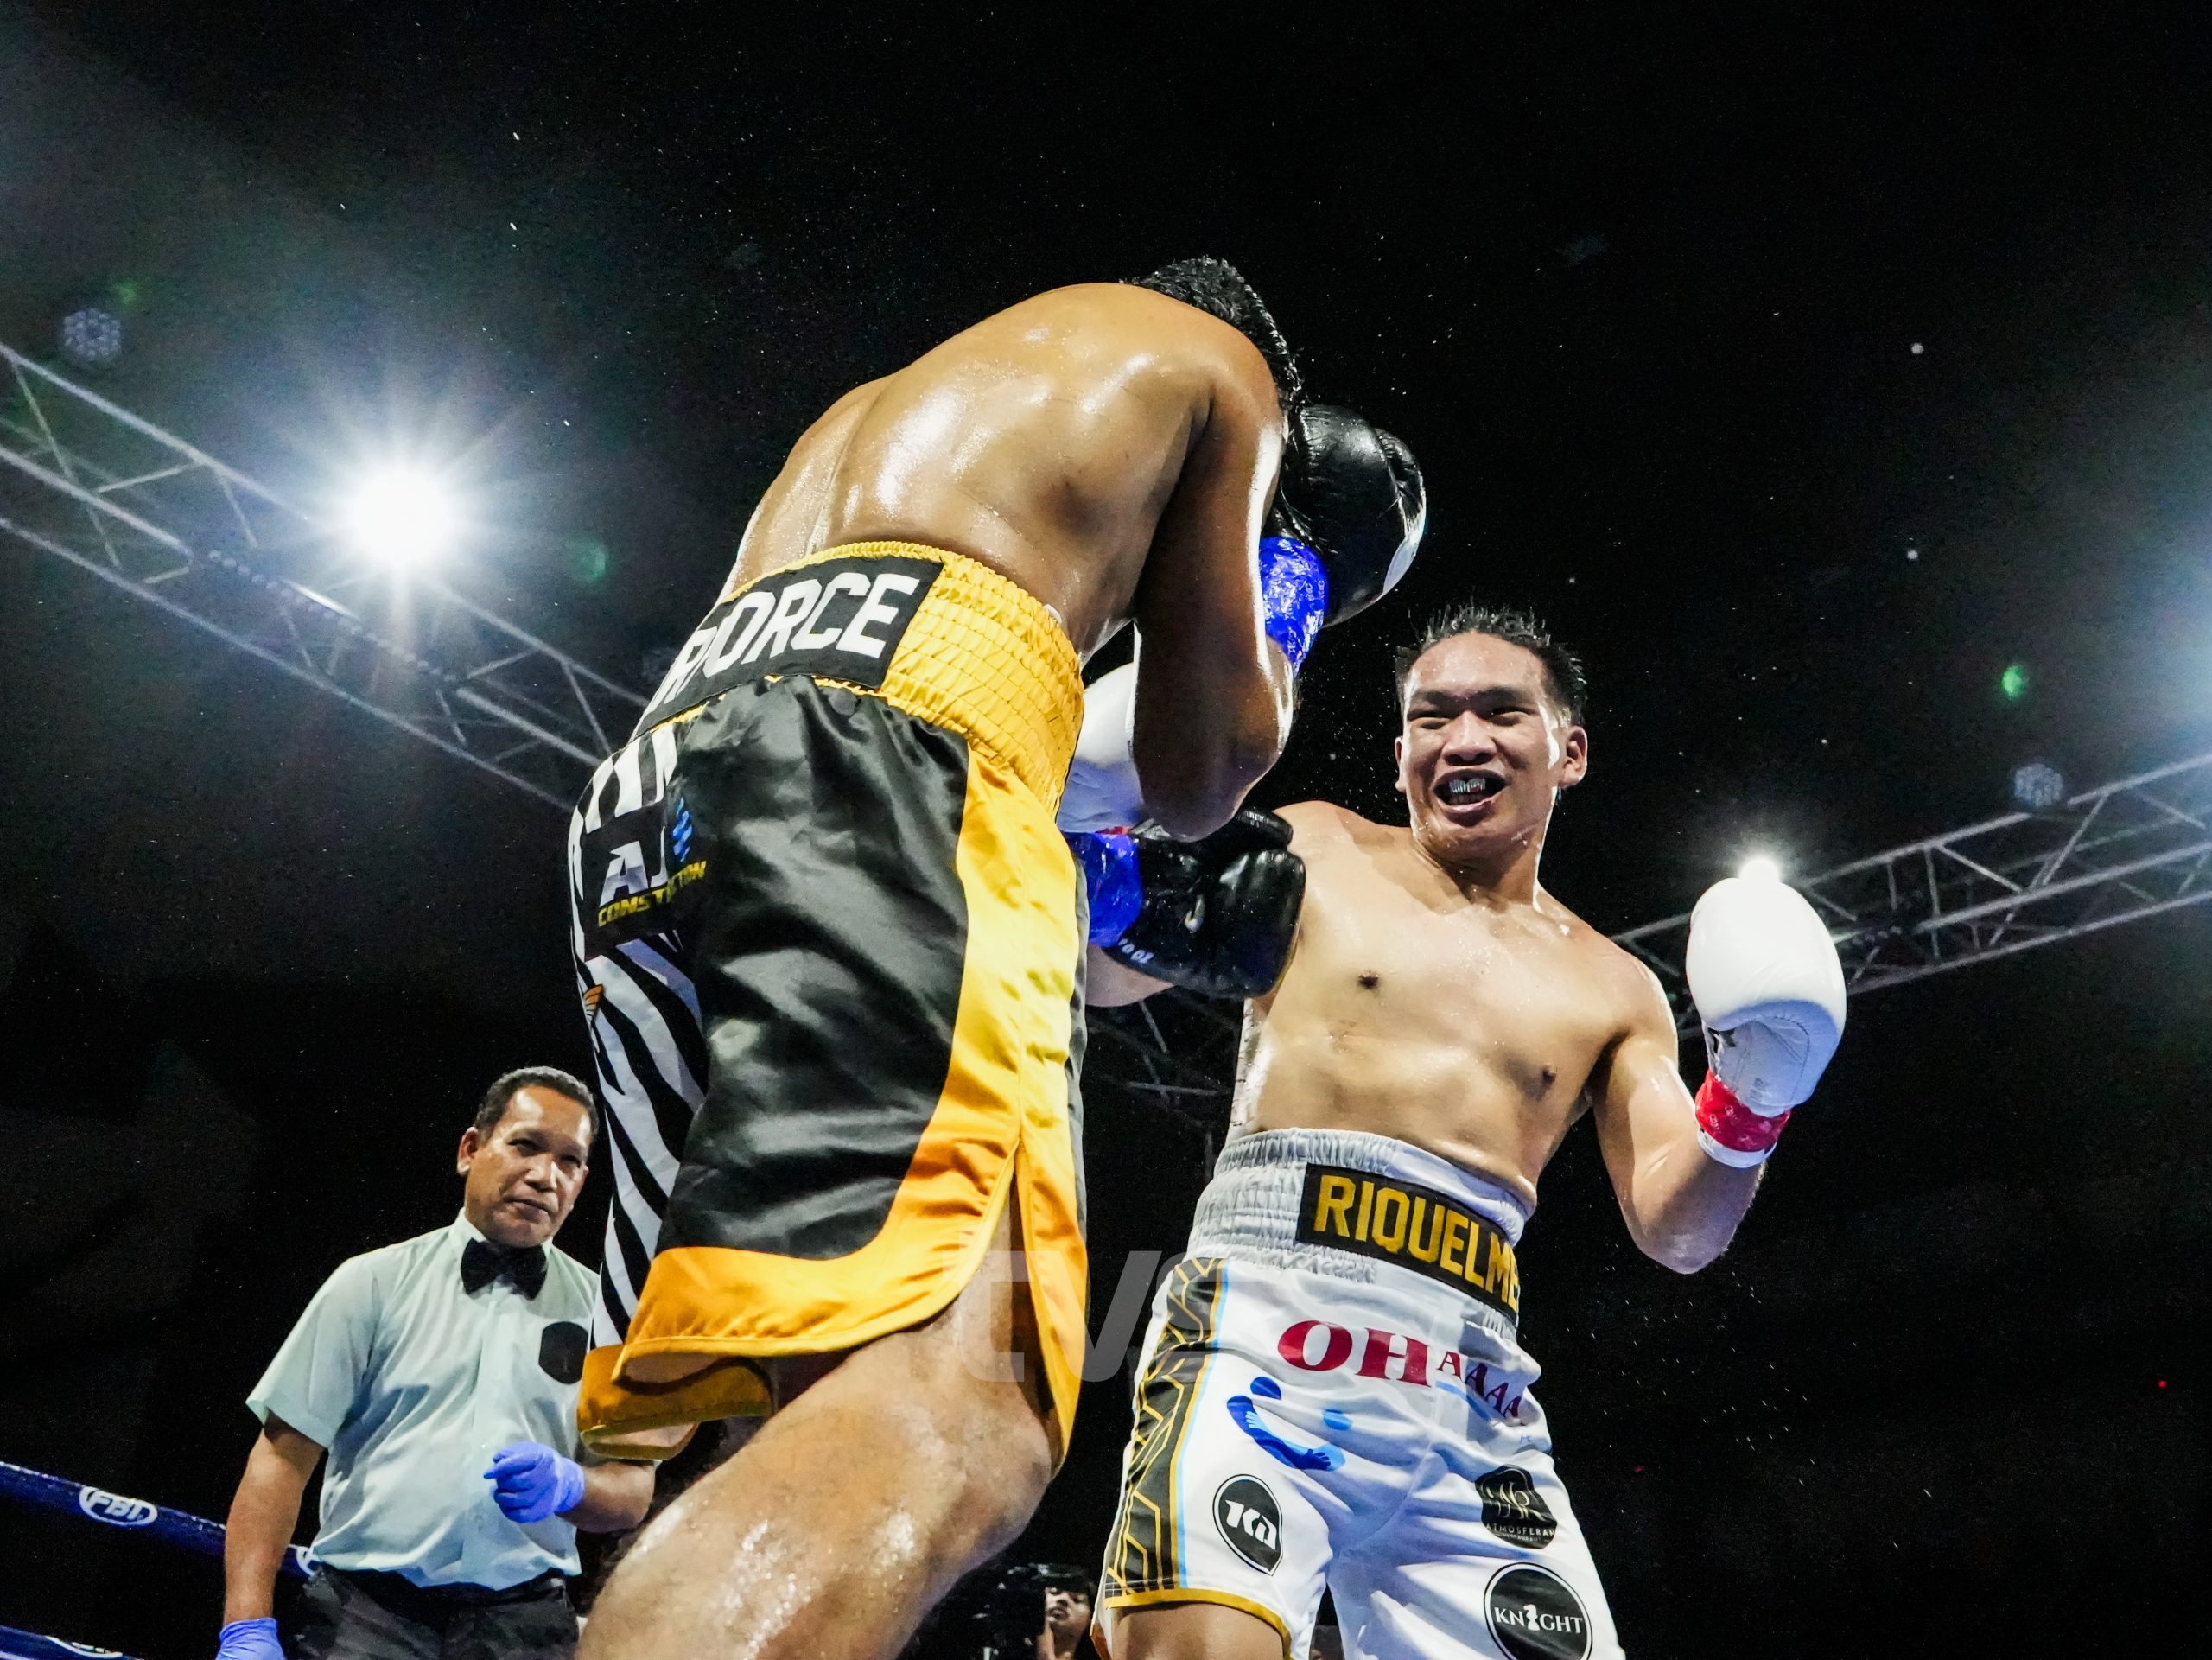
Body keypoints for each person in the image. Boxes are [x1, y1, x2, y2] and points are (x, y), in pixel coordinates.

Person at [565, 259, 1424, 1660]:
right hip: (886, 772)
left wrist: (1114, 890)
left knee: (798, 1406)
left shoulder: (885, 419)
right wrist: (1299, 574)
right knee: (963, 1405)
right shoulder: (1224, 377)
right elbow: (1206, 761)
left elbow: (915, 746)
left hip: (651, 803)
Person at [1079, 605, 1847, 1660]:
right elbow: (1102, 974)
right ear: (1401, 750)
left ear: (1568, 751)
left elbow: (1680, 1230)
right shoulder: (1317, 846)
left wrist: (1754, 1097)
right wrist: (1093, 838)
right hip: (1264, 1334)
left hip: (1469, 1394)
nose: (1462, 738)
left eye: (1499, 712)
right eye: (1431, 717)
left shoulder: (1614, 985)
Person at [214, 1069, 653, 1660]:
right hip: (366, 1614)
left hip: (524, 1627)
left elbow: (632, 1491)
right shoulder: (371, 1283)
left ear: (581, 1183)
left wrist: (572, 1484)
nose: (544, 1175)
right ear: (471, 1149)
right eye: (525, 1145)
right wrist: (245, 1625)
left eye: (568, 1161)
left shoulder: (606, 1319)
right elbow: (280, 1459)